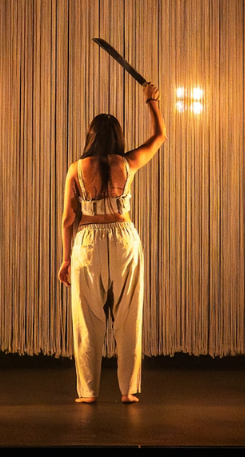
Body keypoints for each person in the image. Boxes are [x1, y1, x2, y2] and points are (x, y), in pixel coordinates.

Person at [58, 81, 166, 404]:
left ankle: (88, 392)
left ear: (90, 137)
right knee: (129, 317)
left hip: (88, 242)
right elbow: (159, 138)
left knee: (87, 320)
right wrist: (152, 102)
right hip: (124, 240)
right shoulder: (127, 163)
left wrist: (65, 259)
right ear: (118, 137)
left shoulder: (77, 169)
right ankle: (128, 390)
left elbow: (67, 219)